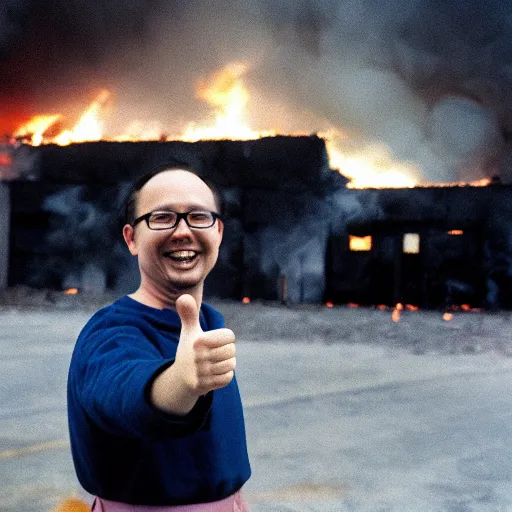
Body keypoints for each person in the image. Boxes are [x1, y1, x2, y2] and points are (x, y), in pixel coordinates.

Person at [67, 164, 251, 511]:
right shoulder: (109, 332)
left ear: (219, 232)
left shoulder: (209, 320)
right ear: (131, 238)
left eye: (199, 216)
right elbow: (123, 392)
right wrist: (180, 382)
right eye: (163, 218)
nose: (183, 232)